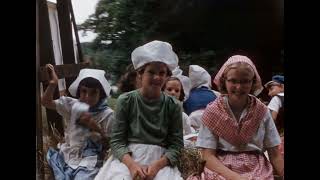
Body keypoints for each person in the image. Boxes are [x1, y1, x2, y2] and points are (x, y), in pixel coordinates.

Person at [94, 40, 184, 180]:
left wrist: (158, 165)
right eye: (151, 72)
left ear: (167, 76)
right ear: (140, 74)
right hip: (129, 157)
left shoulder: (173, 105)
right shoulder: (126, 100)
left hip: (160, 159)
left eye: (162, 73)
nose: (157, 77)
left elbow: (176, 145)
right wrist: (132, 166)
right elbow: (117, 141)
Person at [188, 55, 284, 180]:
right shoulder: (213, 111)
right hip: (221, 168)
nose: (239, 87)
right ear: (224, 81)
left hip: (256, 168)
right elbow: (207, 155)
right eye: (233, 81)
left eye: (245, 81)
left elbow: (274, 153)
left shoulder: (261, 111)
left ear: (253, 82)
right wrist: (236, 177)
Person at [41, 65, 114, 180]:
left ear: (101, 94)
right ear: (79, 91)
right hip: (68, 155)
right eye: (83, 91)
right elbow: (46, 102)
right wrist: (53, 84)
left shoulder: (107, 115)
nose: (87, 97)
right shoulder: (72, 105)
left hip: (90, 161)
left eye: (93, 93)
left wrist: (95, 128)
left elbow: (109, 145)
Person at [264, 75, 284, 157]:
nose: (269, 93)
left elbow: (271, 120)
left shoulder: (277, 98)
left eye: (271, 89)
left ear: (282, 87)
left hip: (280, 137)